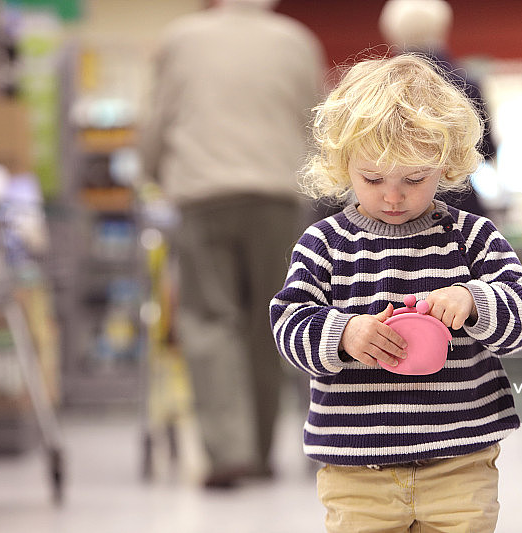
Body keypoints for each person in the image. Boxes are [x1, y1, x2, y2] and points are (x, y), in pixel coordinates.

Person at [269, 54, 522, 532]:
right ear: (343, 164)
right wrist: (343, 333)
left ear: (446, 163)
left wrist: (475, 301)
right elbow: (289, 324)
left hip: (460, 460)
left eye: (414, 179)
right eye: (372, 179)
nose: (392, 196)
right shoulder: (324, 245)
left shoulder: (472, 238)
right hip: (357, 471)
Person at [139, 0, 326, 489]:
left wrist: (153, 170)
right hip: (279, 195)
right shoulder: (296, 40)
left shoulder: (182, 37)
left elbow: (158, 119)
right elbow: (317, 124)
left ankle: (229, 450)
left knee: (210, 319)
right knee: (276, 317)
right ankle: (262, 452)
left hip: (203, 193)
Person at [379, 0, 496, 215]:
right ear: (443, 28)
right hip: (460, 203)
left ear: (390, 31)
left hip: (393, 208)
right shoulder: (466, 85)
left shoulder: (376, 89)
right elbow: (486, 150)